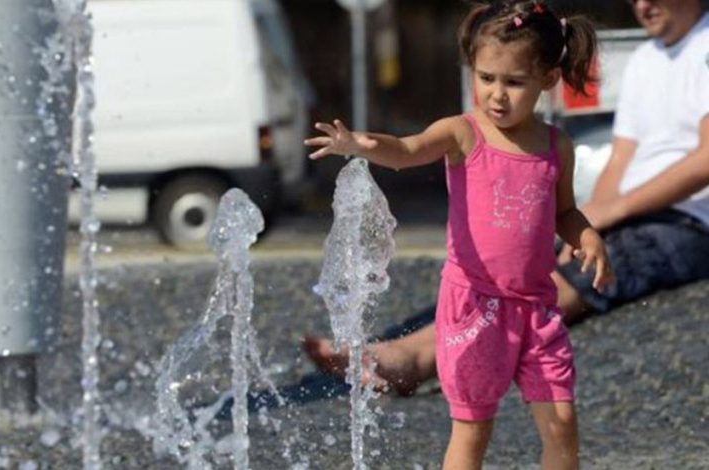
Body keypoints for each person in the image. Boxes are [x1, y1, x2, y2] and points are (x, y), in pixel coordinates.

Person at [304, 0, 709, 411]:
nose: (643, 4)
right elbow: (621, 158)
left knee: (592, 265)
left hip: (688, 219)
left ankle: (416, 356)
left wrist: (610, 215)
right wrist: (593, 220)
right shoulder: (645, 59)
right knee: (503, 268)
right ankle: (423, 344)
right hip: (626, 210)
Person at [305, 2, 613, 468]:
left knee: (562, 423)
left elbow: (564, 212)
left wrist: (586, 236)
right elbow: (407, 149)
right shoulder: (463, 133)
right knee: (473, 429)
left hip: (537, 308)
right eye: (485, 78)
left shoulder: (556, 146)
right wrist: (365, 145)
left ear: (548, 78)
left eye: (514, 82)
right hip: (474, 306)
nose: (496, 94)